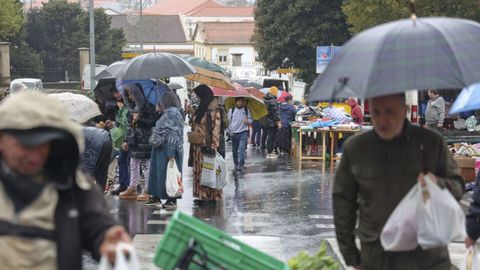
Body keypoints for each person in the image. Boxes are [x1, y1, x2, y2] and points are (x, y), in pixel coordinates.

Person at [0, 91, 130, 269]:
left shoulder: (69, 181)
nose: (35, 155)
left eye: (43, 145)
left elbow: (97, 222)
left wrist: (109, 237)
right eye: (25, 145)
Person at [333, 93, 464, 270]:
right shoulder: (357, 149)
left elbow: (457, 186)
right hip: (378, 256)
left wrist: (437, 183)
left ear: (405, 110)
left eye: (389, 112)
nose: (382, 120)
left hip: (427, 257)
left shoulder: (431, 143)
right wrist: (351, 255)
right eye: (376, 113)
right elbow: (343, 202)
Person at [119, 84, 158, 201]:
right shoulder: (133, 107)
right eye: (129, 94)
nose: (130, 96)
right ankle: (132, 188)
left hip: (146, 140)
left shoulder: (148, 106)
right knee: (133, 164)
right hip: (135, 141)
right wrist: (126, 139)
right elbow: (130, 126)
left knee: (146, 165)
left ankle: (147, 189)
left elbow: (153, 122)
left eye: (132, 94)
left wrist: (139, 120)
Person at [147, 91, 184, 209]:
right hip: (163, 150)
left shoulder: (171, 113)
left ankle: (172, 199)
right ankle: (157, 197)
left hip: (167, 150)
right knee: (162, 174)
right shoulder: (170, 112)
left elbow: (173, 133)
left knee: (168, 175)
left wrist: (171, 152)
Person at [191, 85, 224, 204]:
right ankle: (203, 196)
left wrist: (214, 146)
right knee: (202, 171)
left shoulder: (213, 109)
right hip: (199, 145)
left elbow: (216, 128)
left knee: (209, 170)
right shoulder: (202, 107)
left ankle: (211, 196)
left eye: (198, 95)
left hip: (208, 145)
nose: (197, 98)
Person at [110, 91, 131, 196]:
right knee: (122, 160)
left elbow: (127, 122)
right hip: (123, 138)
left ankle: (130, 186)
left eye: (117, 92)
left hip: (129, 138)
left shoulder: (129, 105)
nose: (116, 95)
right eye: (115, 93)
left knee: (129, 162)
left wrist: (122, 108)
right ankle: (123, 185)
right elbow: (119, 123)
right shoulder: (118, 106)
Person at [81, 126, 113, 191]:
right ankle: (100, 197)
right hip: (107, 138)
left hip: (97, 143)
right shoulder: (79, 129)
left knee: (88, 171)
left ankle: (86, 196)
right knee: (102, 171)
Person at [228, 97, 252, 173]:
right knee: (234, 150)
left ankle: (241, 164)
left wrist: (247, 121)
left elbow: (251, 119)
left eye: (242, 101)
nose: (240, 103)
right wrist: (229, 130)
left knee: (242, 148)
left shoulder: (246, 109)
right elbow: (228, 121)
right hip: (234, 132)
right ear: (235, 102)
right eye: (238, 101)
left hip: (243, 132)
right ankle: (236, 163)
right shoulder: (231, 110)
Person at [261, 86, 281, 158]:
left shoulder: (265, 100)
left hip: (266, 121)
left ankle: (270, 151)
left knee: (269, 136)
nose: (277, 94)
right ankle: (270, 152)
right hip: (271, 122)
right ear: (274, 92)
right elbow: (275, 113)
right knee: (271, 137)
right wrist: (278, 122)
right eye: (276, 92)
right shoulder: (272, 101)